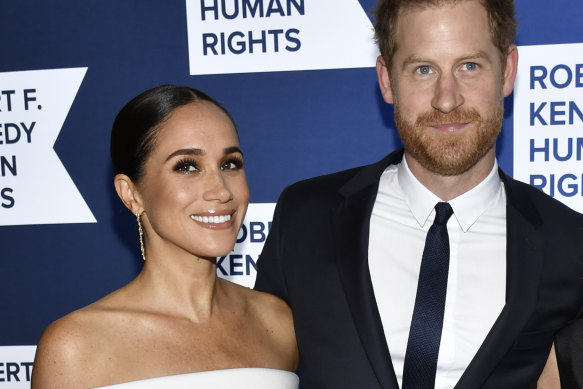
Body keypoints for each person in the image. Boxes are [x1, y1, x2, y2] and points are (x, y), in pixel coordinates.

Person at [254, 0, 583, 388]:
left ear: (508, 71)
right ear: (387, 80)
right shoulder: (305, 218)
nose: (447, 99)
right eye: (423, 69)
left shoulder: (570, 245)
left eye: (470, 66)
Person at [31, 85, 298, 388]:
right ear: (131, 194)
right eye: (187, 166)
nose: (221, 191)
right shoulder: (76, 347)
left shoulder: (277, 324)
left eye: (229, 164)